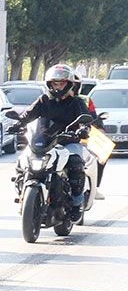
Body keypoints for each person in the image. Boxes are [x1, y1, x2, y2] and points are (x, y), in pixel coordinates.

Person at [10, 63, 92, 208]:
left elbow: (84, 118)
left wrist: (83, 128)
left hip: (68, 142)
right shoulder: (44, 100)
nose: (58, 86)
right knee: (22, 160)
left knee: (76, 163)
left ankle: (76, 201)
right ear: (49, 83)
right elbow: (29, 114)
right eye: (55, 83)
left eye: (61, 83)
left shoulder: (76, 102)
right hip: (44, 142)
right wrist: (18, 124)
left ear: (69, 84)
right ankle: (21, 192)